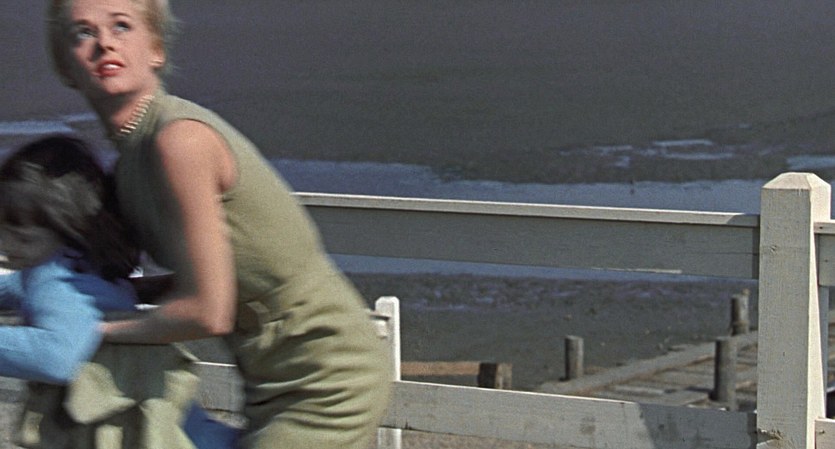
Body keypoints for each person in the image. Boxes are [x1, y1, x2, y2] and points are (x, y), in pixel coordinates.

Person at [46, 1, 393, 448]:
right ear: (65, 68)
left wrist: (93, 334)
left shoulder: (180, 142)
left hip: (328, 377)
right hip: (266, 382)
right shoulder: (130, 165)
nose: (105, 44)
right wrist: (118, 294)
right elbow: (209, 278)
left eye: (122, 26)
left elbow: (209, 312)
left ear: (156, 49)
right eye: (82, 33)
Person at [0, 135, 237, 449]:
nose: (6, 244)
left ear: (63, 226)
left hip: (131, 421)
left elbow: (56, 356)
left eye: (21, 236)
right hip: (155, 401)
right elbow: (21, 287)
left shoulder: (57, 282)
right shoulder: (75, 263)